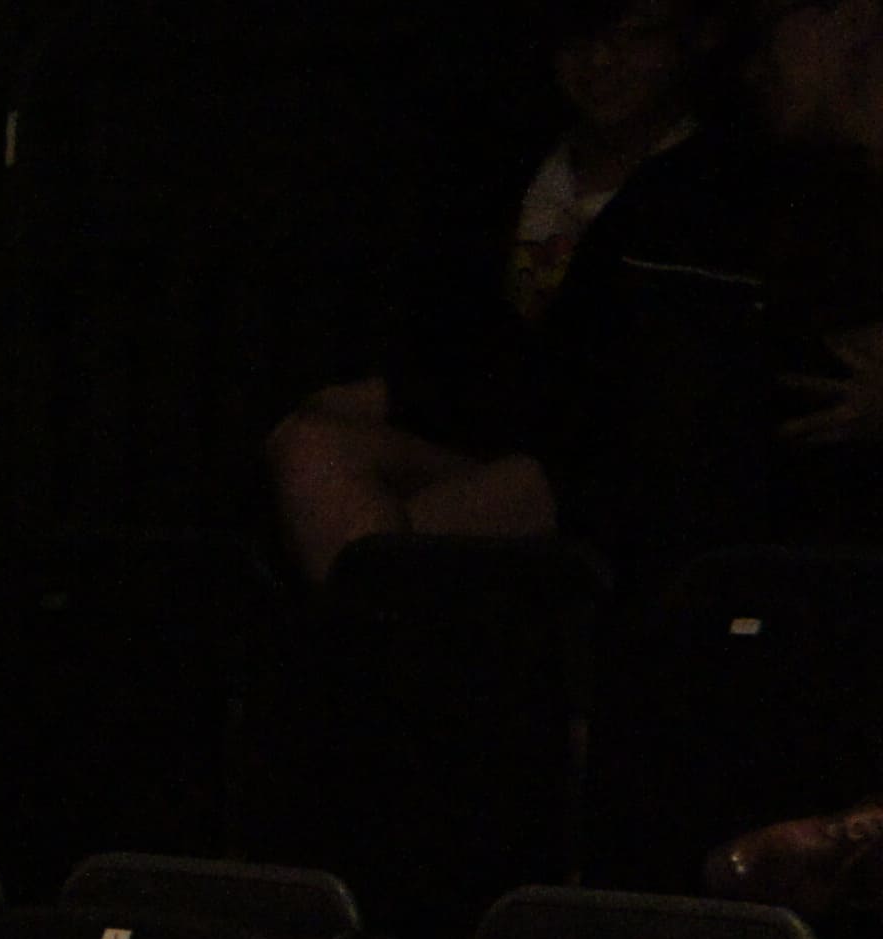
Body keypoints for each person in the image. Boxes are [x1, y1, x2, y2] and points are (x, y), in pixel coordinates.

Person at [267, 1, 717, 580]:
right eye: (579, 39)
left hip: (611, 468)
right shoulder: (511, 169)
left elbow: (627, 394)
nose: (602, 63)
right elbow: (458, 333)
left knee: (378, 546)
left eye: (634, 38)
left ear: (690, 39)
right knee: (309, 449)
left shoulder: (707, 190)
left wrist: (407, 398)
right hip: (494, 432)